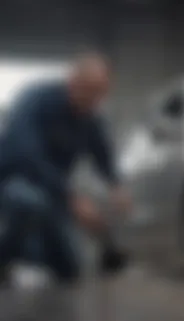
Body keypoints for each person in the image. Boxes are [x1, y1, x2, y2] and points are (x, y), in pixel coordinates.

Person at [0, 52, 129, 283]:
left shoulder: (89, 117)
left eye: (101, 95)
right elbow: (28, 156)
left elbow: (102, 154)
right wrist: (71, 199)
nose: (95, 102)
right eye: (91, 92)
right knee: (29, 202)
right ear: (73, 82)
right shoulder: (34, 100)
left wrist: (115, 185)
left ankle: (32, 252)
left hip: (52, 193)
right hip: (11, 181)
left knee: (69, 268)